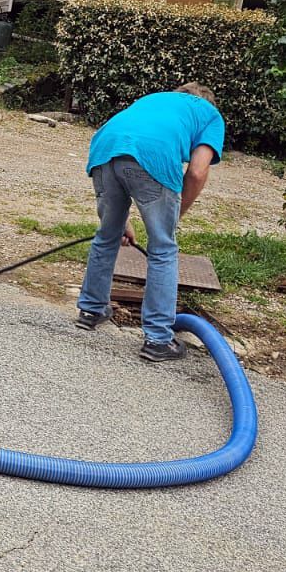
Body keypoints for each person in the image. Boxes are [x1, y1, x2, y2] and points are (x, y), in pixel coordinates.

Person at [75, 83, 225, 362]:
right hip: (151, 156)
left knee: (107, 235)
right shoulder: (210, 115)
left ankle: (91, 310)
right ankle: (158, 338)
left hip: (104, 148)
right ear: (207, 101)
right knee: (163, 249)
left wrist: (124, 221)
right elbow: (196, 172)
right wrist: (176, 215)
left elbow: (128, 145)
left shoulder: (155, 99)